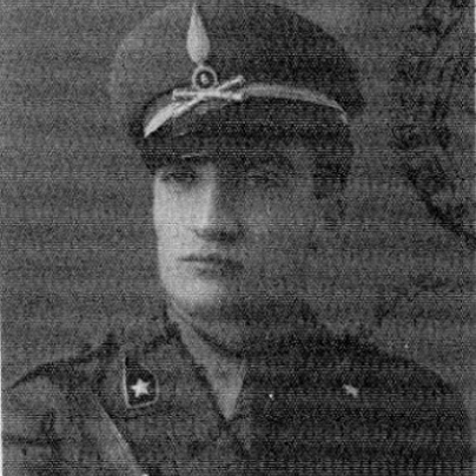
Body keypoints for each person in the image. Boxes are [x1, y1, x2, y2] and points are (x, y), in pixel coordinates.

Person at [3, 1, 472, 474]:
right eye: (181, 178)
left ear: (326, 213)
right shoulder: (50, 417)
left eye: (260, 179)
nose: (211, 222)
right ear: (154, 204)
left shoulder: (408, 415)